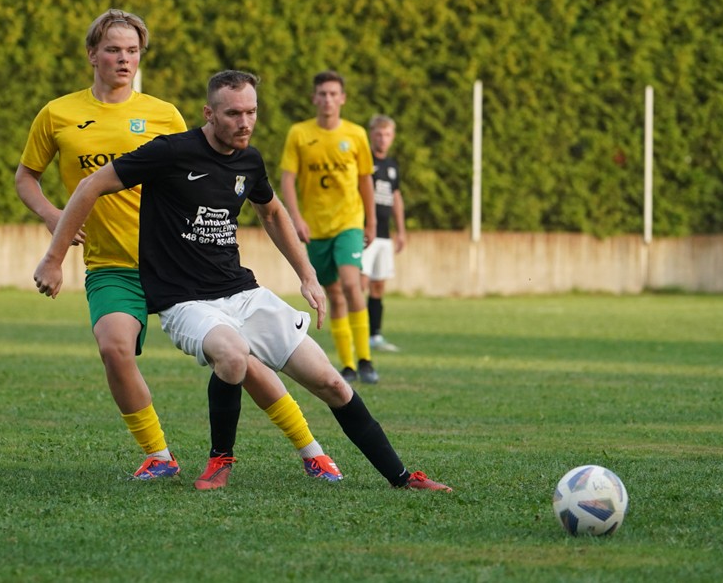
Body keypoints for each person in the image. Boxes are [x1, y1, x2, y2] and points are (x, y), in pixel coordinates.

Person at [33, 70, 451, 492]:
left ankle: (402, 477)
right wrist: (54, 258)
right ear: (209, 113)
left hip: (243, 293)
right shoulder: (170, 151)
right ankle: (220, 460)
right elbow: (90, 186)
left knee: (331, 382)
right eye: (233, 113)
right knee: (232, 356)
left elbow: (272, 212)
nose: (245, 122)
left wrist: (307, 275)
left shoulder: (250, 160)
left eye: (251, 112)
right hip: (185, 301)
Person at [15, 10, 341, 483]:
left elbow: (204, 173)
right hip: (115, 263)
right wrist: (53, 217)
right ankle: (159, 455)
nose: (124, 59)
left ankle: (311, 451)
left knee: (242, 358)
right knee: (113, 347)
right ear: (92, 54)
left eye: (132, 51)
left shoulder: (164, 114)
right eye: (113, 49)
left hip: (182, 267)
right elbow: (26, 177)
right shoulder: (57, 114)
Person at [279, 71, 378, 384]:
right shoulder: (299, 133)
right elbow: (288, 179)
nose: (328, 99)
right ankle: (347, 364)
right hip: (316, 228)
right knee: (334, 293)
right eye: (322, 94)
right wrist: (296, 218)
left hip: (349, 222)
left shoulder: (356, 134)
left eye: (334, 94)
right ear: (314, 98)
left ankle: (365, 360)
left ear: (343, 99)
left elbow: (366, 180)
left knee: (351, 283)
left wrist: (372, 221)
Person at [361, 115, 406, 353]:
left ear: (393, 137)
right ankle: (355, 333)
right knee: (359, 283)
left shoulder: (392, 165)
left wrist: (401, 230)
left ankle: (375, 335)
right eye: (379, 134)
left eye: (387, 134)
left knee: (378, 285)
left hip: (384, 235)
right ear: (371, 134)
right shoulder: (364, 162)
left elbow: (396, 197)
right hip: (364, 232)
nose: (383, 139)